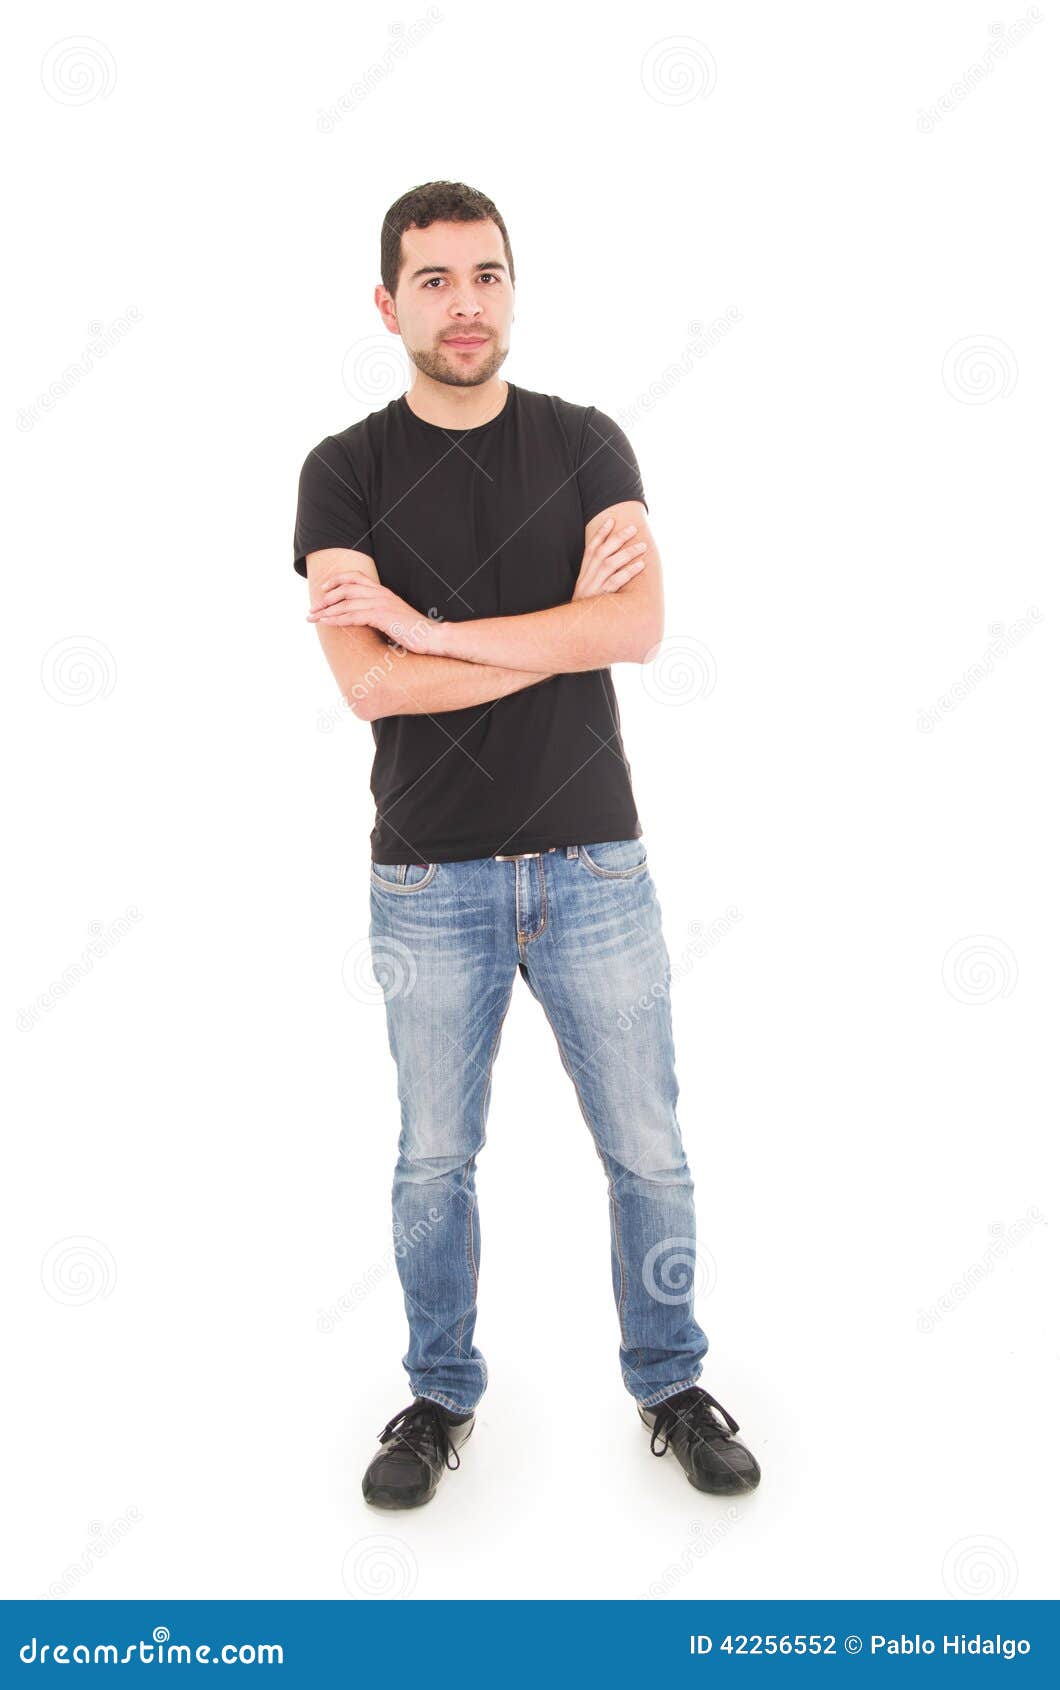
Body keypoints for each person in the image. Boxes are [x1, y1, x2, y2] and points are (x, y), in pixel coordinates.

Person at [292, 181, 761, 1508]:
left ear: (514, 289)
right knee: (433, 1153)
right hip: (427, 876)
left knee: (649, 1147)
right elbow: (365, 686)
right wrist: (530, 629)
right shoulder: (344, 470)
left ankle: (669, 1379)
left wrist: (429, 628)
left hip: (593, 864)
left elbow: (633, 631)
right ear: (389, 304)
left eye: (485, 274)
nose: (463, 302)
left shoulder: (587, 444)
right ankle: (439, 1394)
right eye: (432, 280)